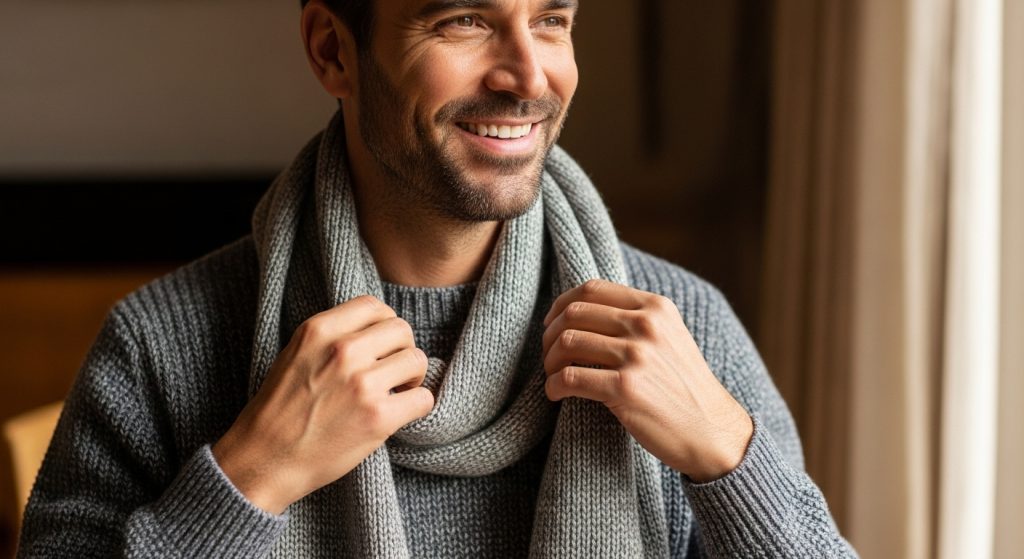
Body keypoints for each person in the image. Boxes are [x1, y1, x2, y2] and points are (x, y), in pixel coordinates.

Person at [18, 0, 857, 557]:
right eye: (464, 20)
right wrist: (251, 478)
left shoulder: (683, 330)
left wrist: (726, 458)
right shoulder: (164, 346)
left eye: (552, 19)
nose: (529, 75)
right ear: (332, 50)